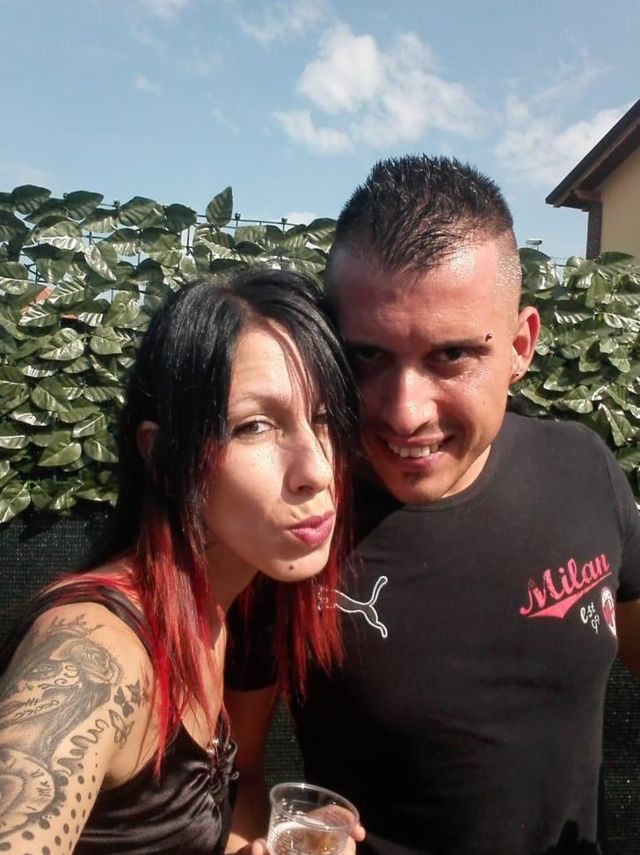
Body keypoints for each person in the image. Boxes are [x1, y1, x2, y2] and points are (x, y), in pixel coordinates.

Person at [225, 155, 640, 855]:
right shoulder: (296, 527)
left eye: (450, 356)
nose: (404, 412)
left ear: (520, 346)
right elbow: (236, 773)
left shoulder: (584, 467)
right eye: (367, 357)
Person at [0, 268, 361, 853]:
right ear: (164, 456)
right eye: (255, 426)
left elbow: (242, 784)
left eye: (322, 418)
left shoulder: (240, 605)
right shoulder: (95, 651)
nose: (317, 470)